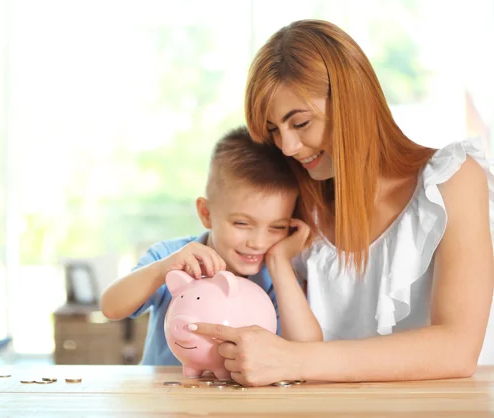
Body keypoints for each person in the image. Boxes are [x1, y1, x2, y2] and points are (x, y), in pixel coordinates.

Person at [190, 19, 494, 385]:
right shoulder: (297, 205)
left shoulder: (452, 180)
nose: (287, 147)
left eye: (300, 123)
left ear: (353, 102)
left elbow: (457, 350)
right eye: (273, 130)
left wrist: (294, 360)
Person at [100, 126, 322, 365]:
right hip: (167, 397)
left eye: (277, 227)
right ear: (206, 213)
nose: (258, 242)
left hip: (242, 400)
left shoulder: (277, 276)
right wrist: (162, 269)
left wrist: (279, 262)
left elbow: (306, 350)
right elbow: (111, 307)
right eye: (241, 223)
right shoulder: (171, 257)